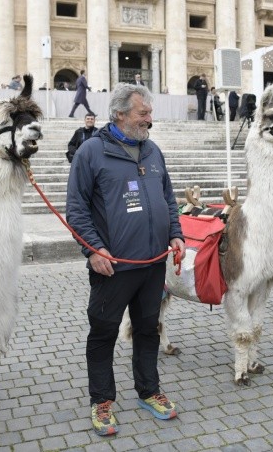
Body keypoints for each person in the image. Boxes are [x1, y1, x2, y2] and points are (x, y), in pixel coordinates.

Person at [66, 83, 185, 436]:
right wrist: (93, 249)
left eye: (149, 112)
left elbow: (168, 198)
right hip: (113, 267)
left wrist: (175, 233)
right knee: (103, 333)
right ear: (119, 114)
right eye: (142, 113)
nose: (150, 119)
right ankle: (102, 400)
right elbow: (76, 210)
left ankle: (149, 391)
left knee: (148, 330)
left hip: (153, 265)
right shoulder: (91, 152)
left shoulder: (153, 151)